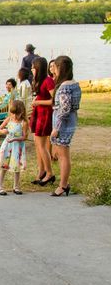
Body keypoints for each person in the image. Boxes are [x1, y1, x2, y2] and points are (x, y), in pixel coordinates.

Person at [49, 56, 81, 197]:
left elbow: (64, 109)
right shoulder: (74, 84)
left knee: (63, 156)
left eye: (55, 67)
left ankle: (63, 185)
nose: (53, 70)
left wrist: (56, 128)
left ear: (60, 68)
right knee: (63, 154)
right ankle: (64, 183)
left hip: (63, 125)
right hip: (70, 122)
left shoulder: (64, 87)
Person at [30, 57, 55, 186]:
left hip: (45, 114)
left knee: (42, 145)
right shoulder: (40, 81)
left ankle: (49, 172)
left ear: (38, 68)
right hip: (39, 113)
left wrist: (38, 102)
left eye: (33, 68)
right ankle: (41, 171)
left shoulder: (48, 81)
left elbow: (54, 100)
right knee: (37, 143)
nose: (32, 70)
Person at [0, 100, 28, 196]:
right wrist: (3, 131)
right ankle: (0, 187)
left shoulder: (23, 122)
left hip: (17, 146)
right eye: (12, 113)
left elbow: (25, 137)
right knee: (4, 166)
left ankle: (16, 186)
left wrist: (15, 139)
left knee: (16, 167)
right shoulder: (9, 119)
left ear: (22, 112)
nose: (14, 116)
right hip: (7, 146)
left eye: (16, 114)